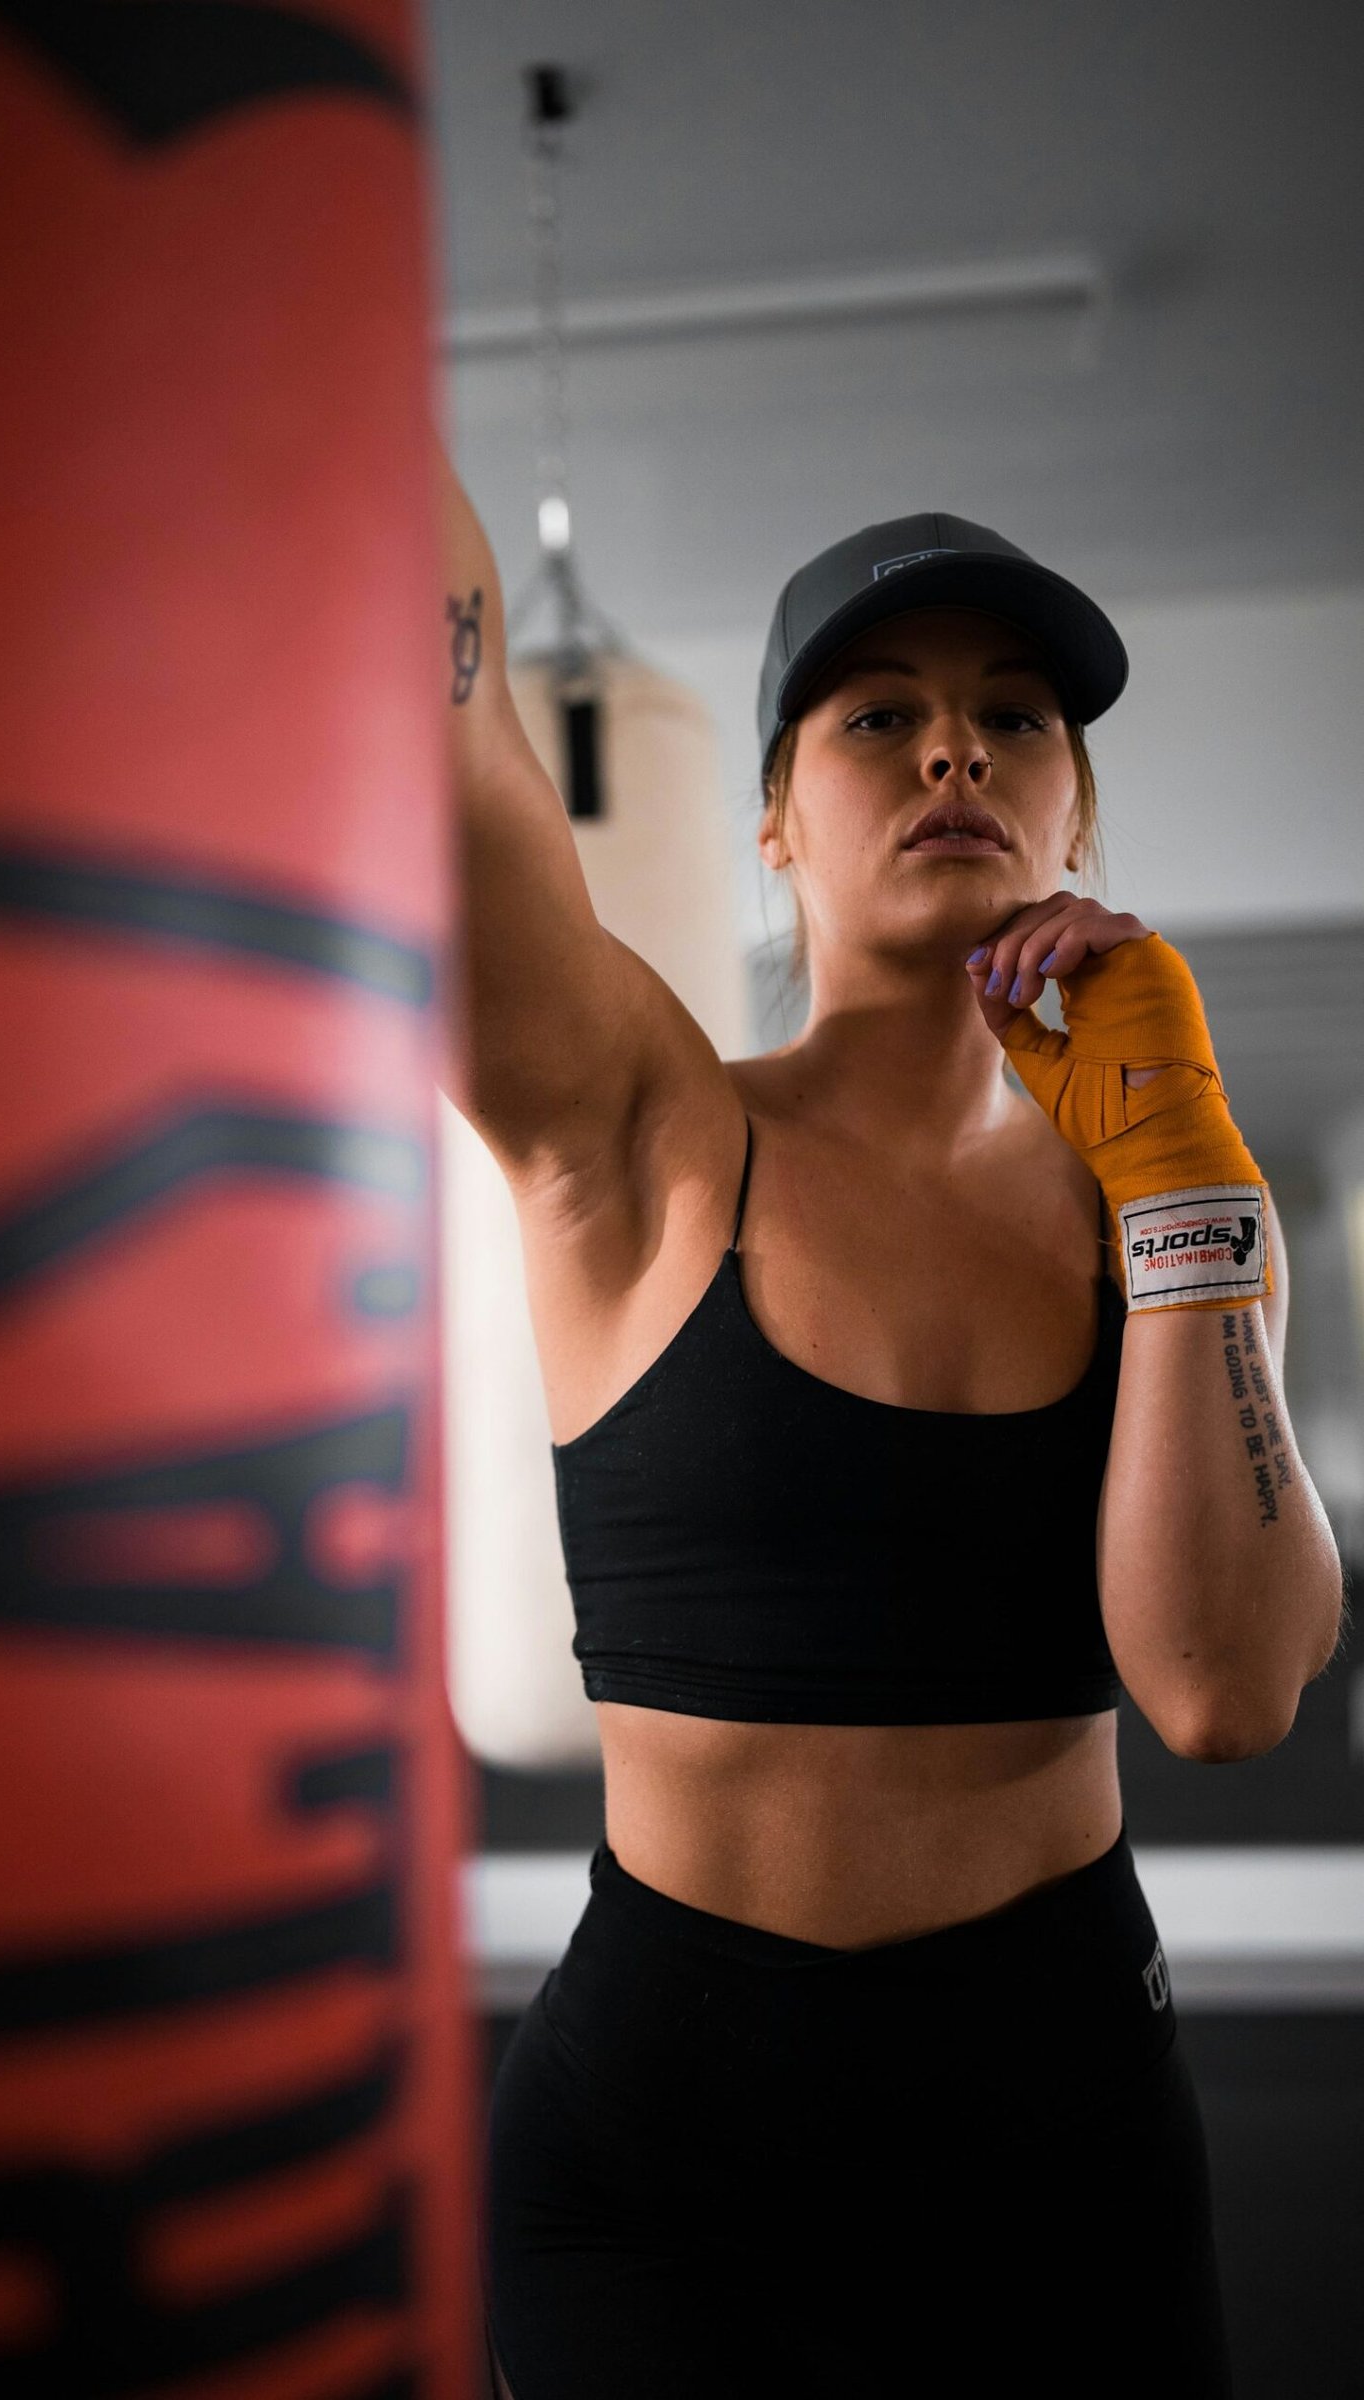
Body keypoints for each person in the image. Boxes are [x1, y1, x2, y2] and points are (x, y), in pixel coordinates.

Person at [438, 448, 1345, 2398]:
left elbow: (1222, 1694)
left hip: (1060, 2121)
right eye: (879, 718)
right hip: (660, 2135)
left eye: (1008, 717)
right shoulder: (644, 1134)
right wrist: (310, 337)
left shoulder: (1176, 1206)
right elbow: (445, 763)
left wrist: (1179, 1162)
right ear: (769, 819)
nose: (954, 753)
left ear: (1070, 799)